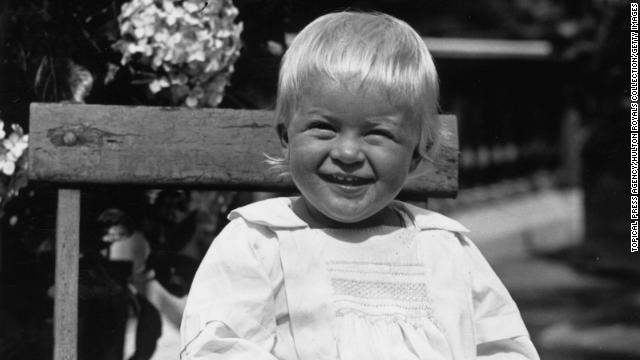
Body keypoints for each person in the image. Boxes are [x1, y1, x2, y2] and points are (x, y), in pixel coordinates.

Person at [180, 11, 540, 359]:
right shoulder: (260, 241)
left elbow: (504, 348)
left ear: (416, 154)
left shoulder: (445, 248)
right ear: (286, 138)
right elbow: (216, 346)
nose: (348, 152)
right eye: (325, 127)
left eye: (377, 133)